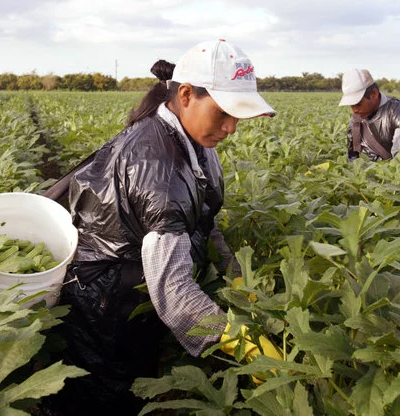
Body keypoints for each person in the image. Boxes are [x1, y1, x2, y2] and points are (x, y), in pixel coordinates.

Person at [46, 39, 278, 415]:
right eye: (224, 113)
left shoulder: (194, 140)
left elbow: (204, 217)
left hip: (134, 288)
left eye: (237, 115)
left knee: (135, 378)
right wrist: (239, 341)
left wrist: (235, 274)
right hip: (106, 304)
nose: (232, 128)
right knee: (106, 394)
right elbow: (172, 290)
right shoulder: (158, 169)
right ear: (186, 95)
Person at [339, 69, 400, 161]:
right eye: (351, 105)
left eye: (358, 104)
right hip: (367, 171)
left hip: (390, 172)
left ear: (374, 94)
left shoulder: (398, 110)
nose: (354, 110)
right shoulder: (356, 119)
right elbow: (353, 156)